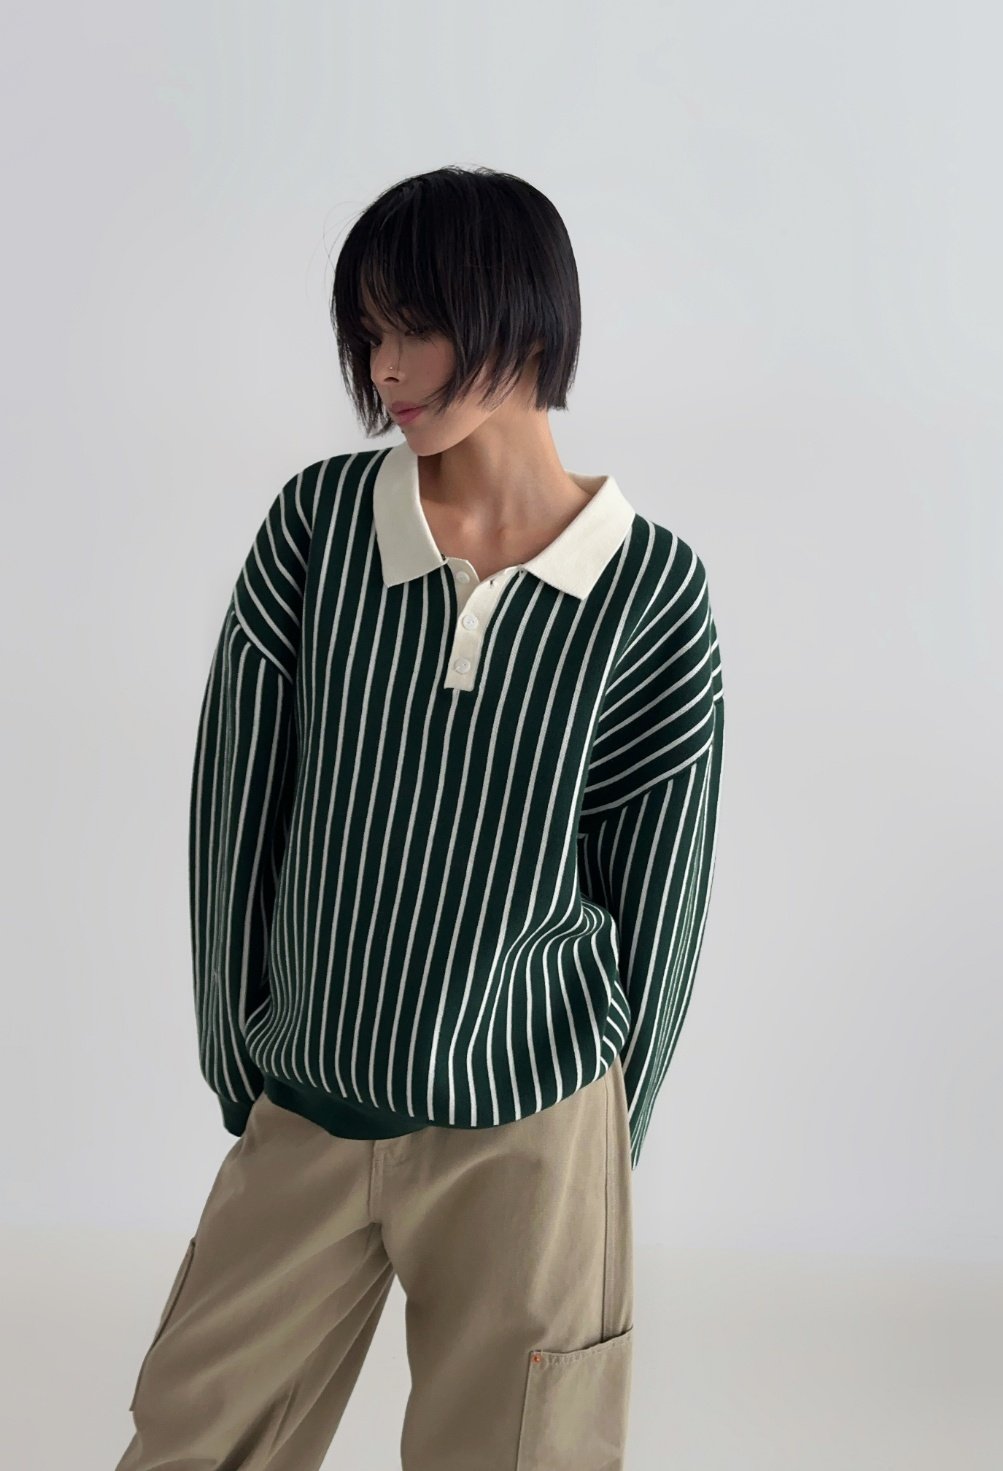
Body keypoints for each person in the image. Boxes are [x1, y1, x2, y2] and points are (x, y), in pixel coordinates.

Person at [116, 164, 725, 1471]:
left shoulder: (652, 593)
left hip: (533, 1124)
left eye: (418, 328)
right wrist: (245, 1059)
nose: (385, 368)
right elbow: (235, 811)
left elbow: (660, 904)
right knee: (190, 1438)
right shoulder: (321, 528)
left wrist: (600, 1154)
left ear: (526, 321)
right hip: (310, 1095)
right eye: (369, 331)